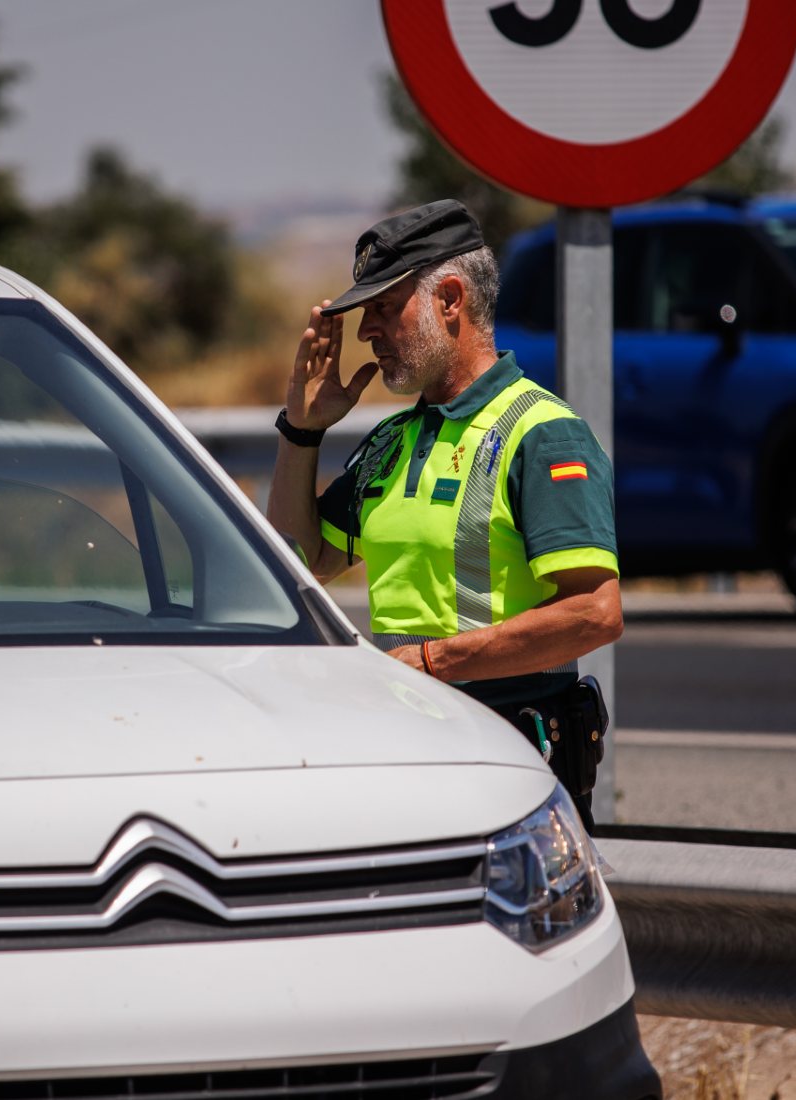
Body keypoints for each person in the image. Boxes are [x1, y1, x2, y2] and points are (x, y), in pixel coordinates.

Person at [266, 199, 621, 826]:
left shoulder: (542, 435)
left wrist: (430, 664)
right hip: (413, 754)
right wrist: (301, 433)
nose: (368, 331)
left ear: (450, 300)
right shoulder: (394, 439)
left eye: (383, 308)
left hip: (514, 766)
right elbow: (301, 563)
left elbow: (594, 613)